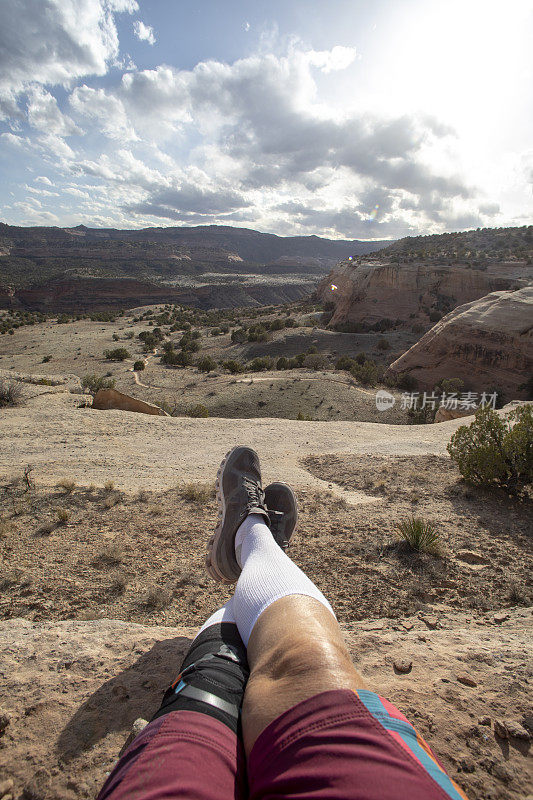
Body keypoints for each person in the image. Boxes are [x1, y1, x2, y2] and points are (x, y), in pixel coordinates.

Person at [97, 446, 468, 800]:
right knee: (308, 660)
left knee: (212, 682)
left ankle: (249, 536)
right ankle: (257, 546)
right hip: (364, 773)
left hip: (176, 768)